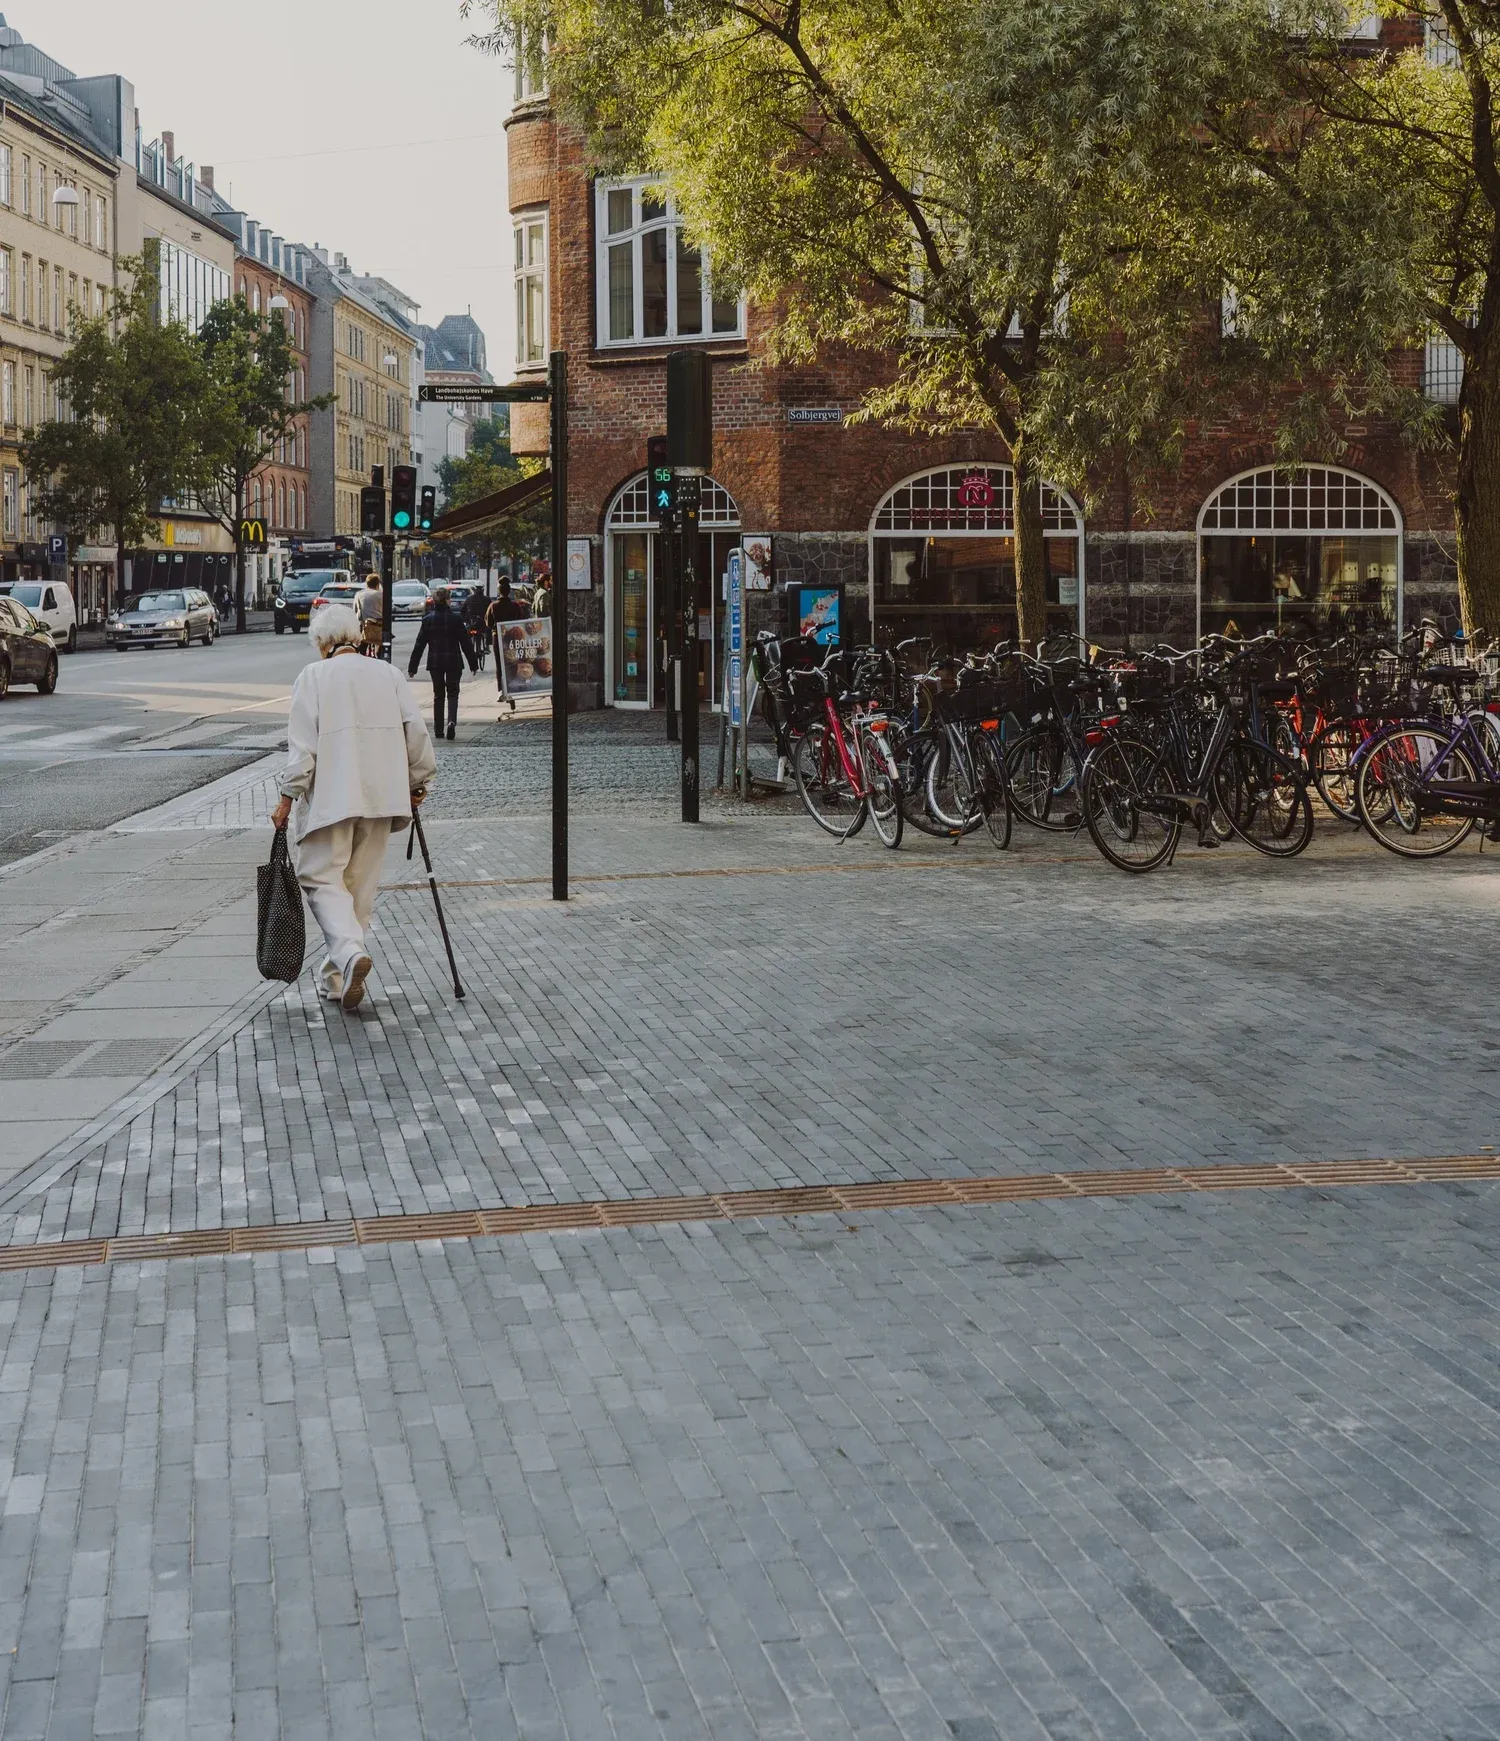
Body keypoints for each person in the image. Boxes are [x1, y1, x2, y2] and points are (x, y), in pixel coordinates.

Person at [269, 603, 436, 1013]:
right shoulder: (389, 675)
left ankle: (346, 954)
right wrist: (418, 781)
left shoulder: (313, 677)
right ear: (357, 637)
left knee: (321, 878)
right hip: (381, 797)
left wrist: (287, 798)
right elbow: (415, 733)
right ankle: (338, 975)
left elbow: (303, 748)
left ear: (322, 643)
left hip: (332, 798)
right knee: (359, 887)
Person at [408, 585, 477, 740]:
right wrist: (473, 663)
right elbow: (465, 643)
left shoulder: (427, 620)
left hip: (435, 661)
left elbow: (420, 644)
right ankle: (451, 722)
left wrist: (413, 666)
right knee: (453, 693)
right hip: (453, 660)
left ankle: (438, 729)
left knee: (438, 694)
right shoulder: (456, 619)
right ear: (447, 600)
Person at [484, 580, 528, 696]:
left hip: (498, 637)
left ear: (499, 591)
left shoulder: (493, 606)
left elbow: (488, 623)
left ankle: (501, 690)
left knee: (499, 663)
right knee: (513, 661)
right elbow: (521, 620)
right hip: (514, 638)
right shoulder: (515, 606)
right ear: (509, 592)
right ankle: (514, 685)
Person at [358, 574, 384, 654]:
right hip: (378, 626)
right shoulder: (381, 595)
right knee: (383, 643)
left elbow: (357, 611)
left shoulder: (360, 594)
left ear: (367, 584)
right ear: (377, 585)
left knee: (362, 645)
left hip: (366, 625)